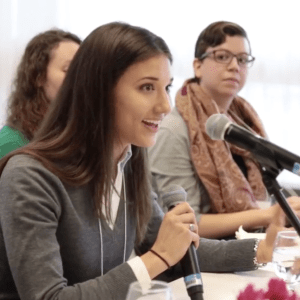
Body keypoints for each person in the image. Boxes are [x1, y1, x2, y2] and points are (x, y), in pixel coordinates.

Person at [0, 22, 299, 300]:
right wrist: (156, 259)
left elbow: (181, 246)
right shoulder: (29, 176)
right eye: (147, 87)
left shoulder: (128, 161)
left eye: (167, 87)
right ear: (98, 91)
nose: (165, 106)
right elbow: (49, 297)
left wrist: (265, 249)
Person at [148, 21, 281, 239]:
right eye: (222, 56)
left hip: (244, 245)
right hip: (194, 259)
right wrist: (266, 216)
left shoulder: (244, 122)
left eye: (242, 59)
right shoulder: (172, 129)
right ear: (197, 66)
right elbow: (185, 221)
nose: (234, 66)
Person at [0, 29, 81, 158]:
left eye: (83, 69)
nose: (80, 78)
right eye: (68, 70)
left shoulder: (80, 137)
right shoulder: (9, 144)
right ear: (39, 77)